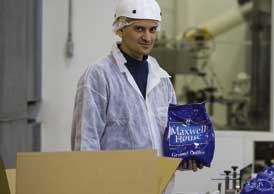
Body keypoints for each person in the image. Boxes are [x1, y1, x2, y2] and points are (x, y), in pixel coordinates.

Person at [70, 0, 201, 182]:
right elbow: (86, 143)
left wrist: (186, 157)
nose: (147, 37)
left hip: (158, 185)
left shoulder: (162, 79)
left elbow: (166, 141)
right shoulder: (98, 75)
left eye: (152, 29)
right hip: (115, 186)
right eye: (139, 29)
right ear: (120, 30)